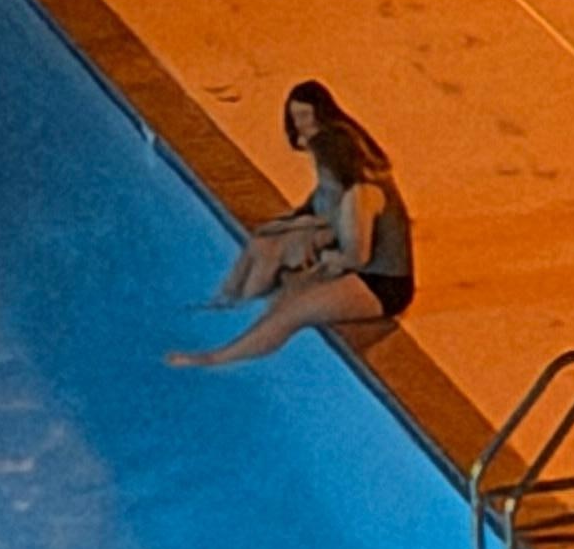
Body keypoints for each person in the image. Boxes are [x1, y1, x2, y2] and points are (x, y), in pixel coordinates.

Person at [171, 113, 413, 366]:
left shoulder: (360, 196)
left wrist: (324, 258)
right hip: (358, 267)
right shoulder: (349, 185)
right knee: (281, 279)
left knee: (292, 312)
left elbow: (357, 257)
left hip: (382, 285)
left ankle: (216, 358)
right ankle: (228, 307)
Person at [207, 79, 391, 310]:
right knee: (261, 241)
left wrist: (305, 226)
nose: (300, 124)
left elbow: (343, 203)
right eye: (296, 117)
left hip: (345, 227)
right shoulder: (329, 143)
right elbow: (324, 195)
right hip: (336, 219)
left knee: (274, 250)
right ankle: (229, 297)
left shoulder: (337, 148)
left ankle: (242, 302)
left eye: (304, 116)